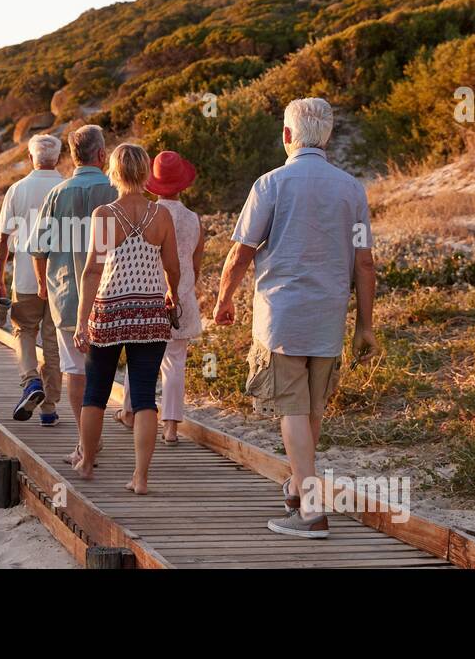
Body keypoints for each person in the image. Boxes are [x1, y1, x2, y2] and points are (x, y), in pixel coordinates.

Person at [213, 98, 381, 539]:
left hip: (282, 315)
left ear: (287, 136)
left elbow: (241, 252)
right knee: (311, 406)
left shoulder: (270, 184)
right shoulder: (352, 189)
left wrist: (224, 299)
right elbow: (365, 263)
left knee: (291, 407)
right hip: (329, 315)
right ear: (327, 137)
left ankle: (309, 510)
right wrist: (365, 325)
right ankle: (296, 484)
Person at [72, 144, 178, 494]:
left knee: (97, 392)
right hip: (150, 313)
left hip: (110, 311)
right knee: (146, 396)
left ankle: (87, 461)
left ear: (114, 173)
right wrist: (172, 293)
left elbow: (92, 271)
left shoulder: (106, 215)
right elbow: (172, 266)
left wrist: (81, 320)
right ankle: (141, 477)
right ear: (145, 173)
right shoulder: (161, 216)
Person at [28, 125, 118, 465]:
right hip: (111, 295)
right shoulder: (115, 191)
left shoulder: (58, 194)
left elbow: (38, 248)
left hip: (66, 295)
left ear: (73, 155)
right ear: (100, 154)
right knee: (105, 370)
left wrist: (41, 285)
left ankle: (85, 445)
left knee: (75, 371)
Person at [118, 151, 202, 445]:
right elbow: (196, 263)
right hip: (181, 299)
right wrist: (184, 289)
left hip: (147, 295)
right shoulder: (193, 219)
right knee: (175, 362)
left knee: (139, 358)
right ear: (182, 184)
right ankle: (170, 428)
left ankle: (129, 411)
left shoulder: (146, 214)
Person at [0, 134, 66, 424]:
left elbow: (3, 242)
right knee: (52, 341)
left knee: (24, 331)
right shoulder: (66, 188)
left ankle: (30, 380)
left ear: (29, 157)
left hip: (24, 277)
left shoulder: (17, 190)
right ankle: (49, 410)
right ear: (58, 159)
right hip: (61, 281)